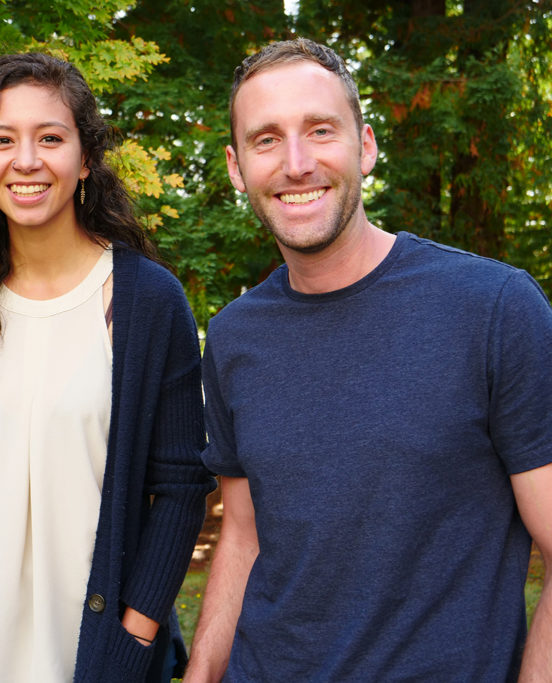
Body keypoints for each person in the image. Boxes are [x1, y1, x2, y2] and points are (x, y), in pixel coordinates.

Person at [185, 37, 552, 682]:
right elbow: (242, 536)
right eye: (266, 139)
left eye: (320, 130)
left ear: (366, 145)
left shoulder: (494, 308)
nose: (296, 163)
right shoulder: (235, 336)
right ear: (237, 168)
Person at [0, 52, 213, 682]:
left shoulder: (149, 303)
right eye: (2, 139)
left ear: (86, 158)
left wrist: (136, 633)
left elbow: (181, 488)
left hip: (99, 655)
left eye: (50, 137)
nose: (26, 160)